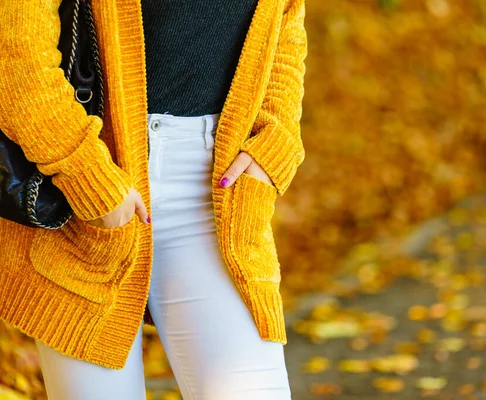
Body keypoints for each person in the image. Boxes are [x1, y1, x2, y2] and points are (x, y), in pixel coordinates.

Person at [0, 0, 307, 398]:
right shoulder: (86, 176)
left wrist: (276, 140)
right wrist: (83, 170)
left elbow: (285, 19)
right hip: (89, 192)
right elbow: (16, 47)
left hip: (219, 194)